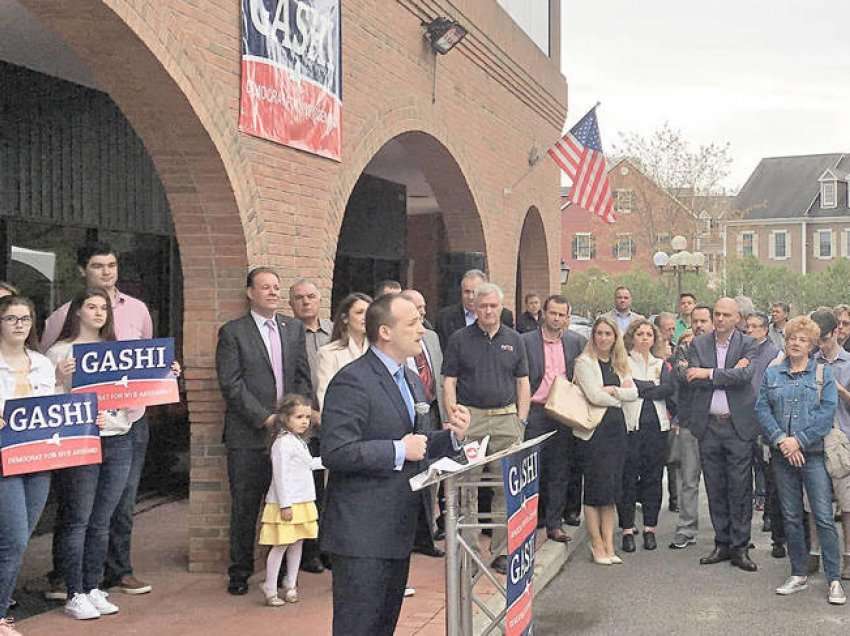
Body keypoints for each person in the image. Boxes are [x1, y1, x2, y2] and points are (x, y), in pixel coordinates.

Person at [320, 293, 469, 636]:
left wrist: (454, 437)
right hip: (362, 534)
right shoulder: (353, 380)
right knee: (359, 627)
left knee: (383, 626)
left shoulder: (411, 379)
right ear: (385, 332)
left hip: (398, 529)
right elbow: (337, 450)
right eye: (413, 322)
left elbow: (421, 443)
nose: (422, 328)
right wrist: (397, 450)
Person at [45, 288, 181, 619]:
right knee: (78, 519)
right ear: (76, 312)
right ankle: (74, 591)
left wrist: (164, 374)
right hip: (80, 443)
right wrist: (59, 379)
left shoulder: (119, 351)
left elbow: (133, 397)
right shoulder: (60, 352)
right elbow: (46, 403)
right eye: (90, 306)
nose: (98, 312)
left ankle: (93, 586)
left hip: (118, 438)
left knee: (102, 519)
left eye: (102, 307)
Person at [41, 242, 155, 598]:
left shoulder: (136, 310)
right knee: (77, 508)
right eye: (97, 266)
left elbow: (144, 357)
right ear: (82, 271)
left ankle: (113, 573)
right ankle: (67, 578)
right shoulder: (62, 315)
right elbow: (49, 369)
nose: (107, 272)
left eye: (111, 265)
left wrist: (163, 373)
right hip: (80, 433)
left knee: (119, 505)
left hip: (128, 421)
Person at [216, 267, 312, 595]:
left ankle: (287, 574)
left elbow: (302, 376)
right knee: (246, 506)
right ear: (249, 293)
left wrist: (297, 416)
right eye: (265, 287)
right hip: (249, 435)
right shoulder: (233, 332)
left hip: (289, 437)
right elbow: (231, 384)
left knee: (291, 500)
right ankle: (240, 573)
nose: (272, 292)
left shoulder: (293, 328)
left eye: (276, 287)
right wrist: (266, 418)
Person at [755, 316, 846, 604]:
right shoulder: (772, 375)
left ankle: (834, 579)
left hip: (814, 456)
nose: (795, 342)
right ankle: (798, 573)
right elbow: (762, 410)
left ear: (812, 345)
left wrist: (799, 441)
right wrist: (782, 440)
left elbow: (827, 413)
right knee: (792, 516)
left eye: (803, 339)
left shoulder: (821, 374)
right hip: (783, 456)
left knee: (823, 517)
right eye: (792, 337)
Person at [442, 282, 529, 575]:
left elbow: (523, 382)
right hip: (471, 419)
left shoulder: (514, 339)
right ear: (474, 308)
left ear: (501, 307)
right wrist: (454, 416)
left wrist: (521, 419)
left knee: (506, 485)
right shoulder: (459, 339)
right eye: (483, 306)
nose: (489, 311)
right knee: (467, 486)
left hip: (506, 418)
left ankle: (503, 551)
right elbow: (449, 381)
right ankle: (469, 552)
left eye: (493, 305)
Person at [687, 298, 759, 572]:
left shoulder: (748, 343)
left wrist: (709, 373)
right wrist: (723, 373)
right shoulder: (700, 343)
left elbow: (744, 376)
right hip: (709, 427)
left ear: (737, 318)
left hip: (737, 427)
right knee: (715, 487)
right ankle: (722, 542)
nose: (719, 319)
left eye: (726, 315)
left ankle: (740, 547)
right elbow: (691, 376)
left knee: (740, 488)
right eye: (716, 314)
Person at [0, 296, 57, 636]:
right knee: (16, 541)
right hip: (3, 460)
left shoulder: (41, 362)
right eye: (10, 318)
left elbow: (58, 407)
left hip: (38, 460)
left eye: (25, 318)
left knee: (16, 539)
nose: (19, 324)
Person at [573, 316, 638, 565]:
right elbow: (593, 396)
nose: (603, 338)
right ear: (593, 336)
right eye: (599, 333)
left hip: (616, 431)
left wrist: (615, 392)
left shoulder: (621, 363)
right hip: (593, 432)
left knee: (611, 491)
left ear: (615, 337)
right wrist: (619, 397)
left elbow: (634, 392)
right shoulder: (584, 362)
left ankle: (609, 544)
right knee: (595, 490)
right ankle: (596, 543)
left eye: (607, 334)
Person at [522, 294, 586, 543]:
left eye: (561, 314)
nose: (556, 318)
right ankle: (532, 519)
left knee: (559, 469)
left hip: (562, 412)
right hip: (536, 410)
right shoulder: (525, 341)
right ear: (544, 314)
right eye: (552, 313)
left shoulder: (575, 342)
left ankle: (554, 523)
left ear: (567, 317)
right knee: (532, 468)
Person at [287, 278, 333, 574]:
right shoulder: (289, 334)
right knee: (310, 491)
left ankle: (330, 547)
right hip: (305, 426)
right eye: (299, 298)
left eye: (311, 296)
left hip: (336, 422)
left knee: (334, 491)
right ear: (291, 304)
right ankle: (310, 552)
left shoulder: (334, 334)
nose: (306, 302)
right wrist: (310, 414)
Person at [259, 394, 322, 607]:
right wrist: (285, 504)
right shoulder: (282, 443)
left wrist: (334, 459)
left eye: (307, 416)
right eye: (298, 417)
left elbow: (310, 464)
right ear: (285, 418)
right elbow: (280, 475)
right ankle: (270, 585)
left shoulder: (299, 442)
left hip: (303, 499)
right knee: (281, 544)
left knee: (298, 542)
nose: (304, 421)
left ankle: (291, 582)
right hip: (286, 502)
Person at [619, 319, 675, 552]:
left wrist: (642, 388)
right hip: (630, 427)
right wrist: (649, 387)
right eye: (639, 333)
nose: (644, 338)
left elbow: (668, 389)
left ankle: (650, 528)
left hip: (657, 427)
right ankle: (627, 529)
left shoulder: (661, 364)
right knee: (628, 479)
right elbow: (627, 388)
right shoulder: (622, 362)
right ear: (632, 337)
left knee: (653, 478)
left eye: (648, 334)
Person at [401, 289, 446, 556]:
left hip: (432, 413)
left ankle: (427, 535)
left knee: (431, 477)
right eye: (416, 307)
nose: (422, 312)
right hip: (406, 417)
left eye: (423, 306)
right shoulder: (400, 342)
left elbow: (438, 377)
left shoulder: (432, 337)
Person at [668, 305, 713, 550]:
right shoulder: (682, 349)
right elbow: (684, 375)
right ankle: (686, 529)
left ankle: (726, 532)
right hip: (689, 423)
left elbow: (724, 376)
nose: (699, 325)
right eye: (695, 321)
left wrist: (709, 374)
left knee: (721, 480)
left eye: (704, 320)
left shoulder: (719, 350)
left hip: (716, 423)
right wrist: (711, 375)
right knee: (688, 480)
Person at [811, 310, 850, 579]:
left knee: (847, 504)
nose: (821, 346)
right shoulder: (809, 361)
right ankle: (814, 553)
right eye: (817, 341)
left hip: (843, 439)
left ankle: (848, 556)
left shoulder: (848, 363)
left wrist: (838, 390)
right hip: (814, 438)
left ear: (836, 332)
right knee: (814, 501)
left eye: (824, 338)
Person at [745, 312, 782, 517]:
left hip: (765, 415)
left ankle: (769, 512)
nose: (749, 330)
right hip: (744, 414)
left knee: (767, 466)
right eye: (747, 326)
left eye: (754, 326)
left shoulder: (774, 353)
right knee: (746, 464)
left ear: (765, 330)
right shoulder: (743, 350)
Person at [315, 293, 372, 410]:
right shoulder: (328, 353)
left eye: (369, 313)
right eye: (359, 312)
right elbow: (324, 394)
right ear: (345, 318)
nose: (365, 317)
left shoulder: (377, 351)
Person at [435, 269, 514, 349]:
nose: (471, 297)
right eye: (467, 292)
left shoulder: (503, 316)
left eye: (475, 292)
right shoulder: (445, 318)